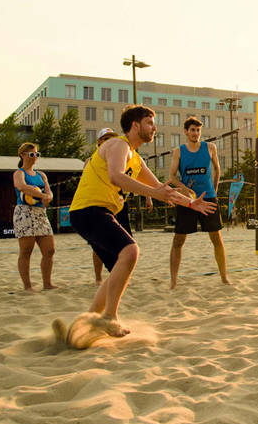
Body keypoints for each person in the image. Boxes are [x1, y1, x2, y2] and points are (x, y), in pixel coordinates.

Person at [69, 105, 215, 337]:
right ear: (135, 125)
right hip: (89, 210)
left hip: (95, 213)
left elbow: (160, 188)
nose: (154, 127)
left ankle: (87, 323)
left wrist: (191, 204)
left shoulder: (135, 159)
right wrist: (157, 194)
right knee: (130, 251)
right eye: (149, 122)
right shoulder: (118, 144)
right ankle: (109, 316)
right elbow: (115, 176)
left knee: (119, 267)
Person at [86, 127, 153, 287]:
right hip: (100, 204)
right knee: (98, 244)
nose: (109, 140)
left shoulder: (123, 155)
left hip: (120, 203)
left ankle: (122, 276)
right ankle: (98, 278)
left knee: (126, 242)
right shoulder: (92, 160)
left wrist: (149, 196)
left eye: (111, 137)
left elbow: (138, 178)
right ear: (99, 142)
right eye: (105, 138)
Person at [168, 116, 230, 289]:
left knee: (216, 238)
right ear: (186, 132)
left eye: (198, 130)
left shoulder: (210, 147)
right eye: (192, 130)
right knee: (178, 240)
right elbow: (171, 176)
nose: (195, 133)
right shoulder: (179, 151)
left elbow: (217, 170)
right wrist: (184, 188)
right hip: (188, 200)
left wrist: (214, 192)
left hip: (208, 197)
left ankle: (224, 278)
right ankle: (173, 281)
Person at [12, 142, 58, 293]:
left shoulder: (41, 174)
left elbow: (49, 192)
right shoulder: (19, 173)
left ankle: (47, 283)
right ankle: (27, 286)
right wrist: (42, 195)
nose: (35, 157)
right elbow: (22, 187)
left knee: (49, 250)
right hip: (24, 212)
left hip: (40, 213)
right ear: (22, 155)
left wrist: (47, 197)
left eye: (37, 154)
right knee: (26, 251)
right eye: (32, 154)